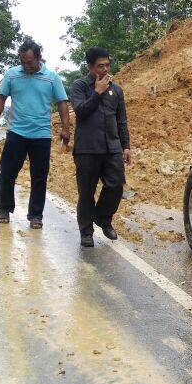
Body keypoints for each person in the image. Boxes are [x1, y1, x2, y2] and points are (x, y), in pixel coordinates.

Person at [0, 40, 71, 229]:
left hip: (41, 135)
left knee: (39, 177)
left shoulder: (52, 78)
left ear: (39, 58)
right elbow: (1, 97)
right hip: (17, 132)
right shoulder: (12, 75)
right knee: (7, 173)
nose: (27, 66)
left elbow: (62, 102)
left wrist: (65, 128)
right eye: (23, 62)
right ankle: (4, 209)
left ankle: (36, 215)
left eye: (30, 62)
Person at [69, 46, 130, 247]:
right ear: (89, 67)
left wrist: (126, 145)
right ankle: (86, 232)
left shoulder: (117, 90)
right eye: (99, 66)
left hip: (111, 147)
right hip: (87, 148)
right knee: (86, 192)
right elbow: (81, 111)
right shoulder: (79, 86)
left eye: (107, 65)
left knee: (116, 185)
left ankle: (102, 218)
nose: (104, 70)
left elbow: (121, 120)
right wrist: (97, 92)